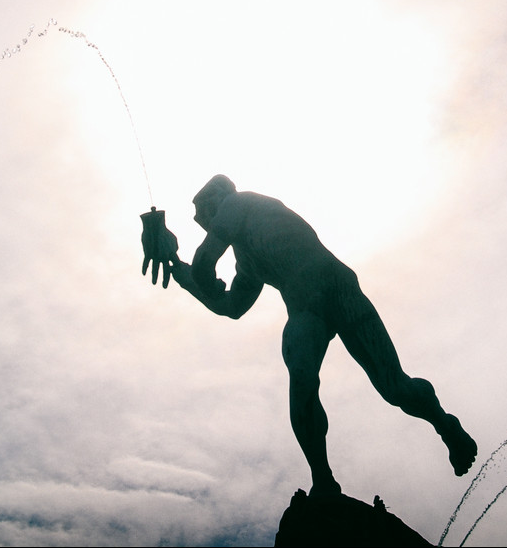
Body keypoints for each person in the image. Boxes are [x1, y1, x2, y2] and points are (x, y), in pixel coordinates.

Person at [151, 174, 477, 498]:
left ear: (218, 199)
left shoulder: (240, 202)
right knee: (303, 382)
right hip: (305, 309)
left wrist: (191, 268)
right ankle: (323, 478)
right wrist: (177, 268)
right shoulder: (247, 262)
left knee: (394, 387)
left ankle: (446, 425)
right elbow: (231, 307)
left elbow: (206, 262)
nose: (202, 222)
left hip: (337, 289)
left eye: (204, 213)